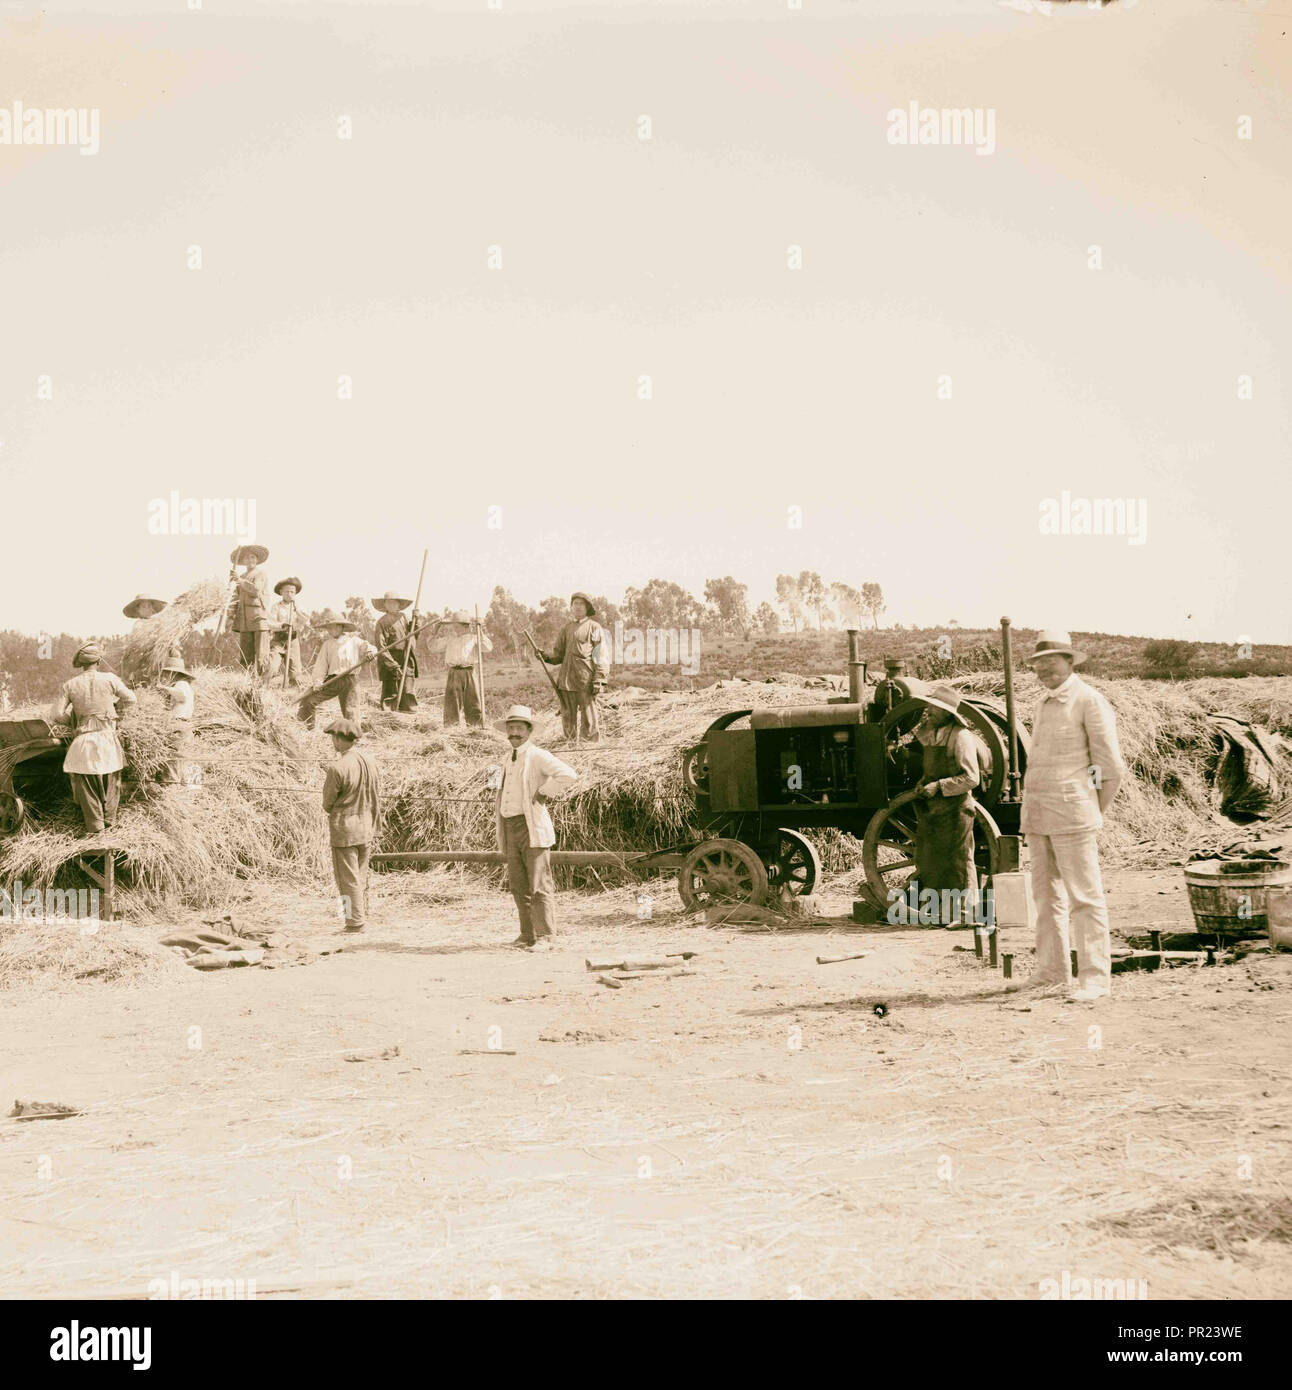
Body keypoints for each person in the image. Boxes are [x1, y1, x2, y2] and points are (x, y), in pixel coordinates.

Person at [1010, 630, 1126, 1003]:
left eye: (1052, 661)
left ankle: (1094, 978)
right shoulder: (1043, 704)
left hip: (1074, 818)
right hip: (1039, 816)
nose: (1044, 668)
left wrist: (1090, 809)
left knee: (1085, 899)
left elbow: (1109, 770)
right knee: (1045, 899)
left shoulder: (1089, 701)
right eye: (1038, 663)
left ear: (1070, 662)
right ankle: (1051, 973)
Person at [493, 704, 577, 950]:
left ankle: (546, 936)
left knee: (539, 883)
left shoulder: (538, 755)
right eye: (511, 728)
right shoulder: (507, 758)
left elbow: (568, 775)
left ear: (529, 731)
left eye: (519, 728)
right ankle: (526, 934)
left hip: (531, 826)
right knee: (518, 884)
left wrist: (543, 792)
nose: (514, 733)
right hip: (510, 827)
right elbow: (500, 789)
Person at [911, 684, 982, 926]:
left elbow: (972, 778)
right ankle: (943, 914)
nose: (928, 711)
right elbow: (930, 769)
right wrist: (923, 783)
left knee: (959, 861)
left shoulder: (961, 737)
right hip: (935, 810)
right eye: (929, 705)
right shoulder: (932, 735)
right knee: (935, 861)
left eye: (934, 707)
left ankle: (968, 915)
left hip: (956, 809)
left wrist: (939, 786)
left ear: (946, 713)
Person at [56, 644, 137, 836]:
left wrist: (75, 723)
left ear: (81, 664)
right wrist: (117, 712)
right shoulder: (109, 679)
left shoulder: (70, 684)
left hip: (84, 740)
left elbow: (57, 714)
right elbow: (131, 699)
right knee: (112, 782)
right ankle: (110, 824)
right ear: (99, 662)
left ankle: (95, 828)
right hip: (107, 739)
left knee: (86, 784)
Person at [322, 718, 381, 933]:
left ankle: (353, 923)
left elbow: (327, 804)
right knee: (360, 877)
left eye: (333, 738)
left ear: (338, 739)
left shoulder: (337, 768)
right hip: (367, 826)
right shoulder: (369, 761)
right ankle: (361, 915)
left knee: (347, 880)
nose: (332, 742)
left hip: (345, 830)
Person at [540, 592, 607, 742]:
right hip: (566, 680)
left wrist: (599, 679)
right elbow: (558, 656)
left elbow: (601, 655)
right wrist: (545, 656)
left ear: (587, 608)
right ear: (571, 607)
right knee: (568, 716)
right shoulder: (567, 628)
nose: (577, 606)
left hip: (585, 679)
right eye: (575, 603)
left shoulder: (594, 627)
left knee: (588, 716)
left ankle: (589, 746)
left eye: (581, 604)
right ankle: (571, 746)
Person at [298, 610, 375, 728]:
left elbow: (368, 646)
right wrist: (318, 681)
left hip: (350, 679)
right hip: (333, 680)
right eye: (328, 628)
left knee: (351, 710)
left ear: (340, 627)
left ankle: (352, 736)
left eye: (332, 627)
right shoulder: (327, 644)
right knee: (308, 700)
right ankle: (306, 728)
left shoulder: (353, 641)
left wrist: (369, 652)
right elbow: (321, 666)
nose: (330, 630)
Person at [433, 611, 491, 727]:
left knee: (473, 700)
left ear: (466, 626)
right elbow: (433, 647)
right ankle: (451, 727)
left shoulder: (474, 638)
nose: (455, 629)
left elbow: (487, 647)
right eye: (454, 626)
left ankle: (476, 727)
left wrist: (480, 630)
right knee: (452, 701)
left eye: (457, 626)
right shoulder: (450, 639)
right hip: (454, 672)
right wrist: (435, 631)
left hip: (469, 672)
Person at [227, 544, 271, 675]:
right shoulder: (241, 576)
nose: (250, 560)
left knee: (261, 654)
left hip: (258, 619)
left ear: (257, 560)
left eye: (252, 557)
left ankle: (263, 685)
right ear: (243, 561)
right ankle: (248, 683)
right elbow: (235, 598)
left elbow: (256, 590)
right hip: (244, 621)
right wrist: (230, 615)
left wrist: (239, 580)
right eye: (247, 558)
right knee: (246, 655)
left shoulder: (260, 574)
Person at [372, 590, 419, 712]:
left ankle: (409, 712)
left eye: (395, 603)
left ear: (399, 604)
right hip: (389, 657)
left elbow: (413, 635)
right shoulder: (381, 623)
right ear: (385, 605)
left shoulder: (404, 617)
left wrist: (416, 621)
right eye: (389, 603)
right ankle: (389, 715)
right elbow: (381, 646)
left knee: (407, 686)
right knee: (391, 689)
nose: (392, 605)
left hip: (405, 655)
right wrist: (392, 665)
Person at [157, 657, 196, 785]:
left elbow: (181, 696)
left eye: (168, 673)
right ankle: (190, 788)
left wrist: (165, 689)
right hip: (184, 725)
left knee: (173, 758)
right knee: (184, 758)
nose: (166, 676)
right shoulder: (182, 685)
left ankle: (172, 788)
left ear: (174, 673)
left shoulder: (181, 685)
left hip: (179, 725)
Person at [268, 577, 305, 687]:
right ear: (281, 592)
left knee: (295, 672)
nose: (290, 594)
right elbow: (270, 623)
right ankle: (263, 688)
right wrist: (282, 626)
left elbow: (305, 621)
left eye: (292, 592)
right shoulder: (276, 607)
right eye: (287, 591)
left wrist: (297, 610)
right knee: (272, 667)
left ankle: (293, 693)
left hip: (293, 640)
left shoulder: (299, 607)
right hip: (278, 640)